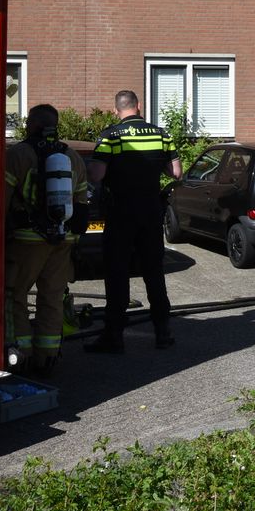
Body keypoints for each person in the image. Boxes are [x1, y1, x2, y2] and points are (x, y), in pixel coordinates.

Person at [85, 90, 182, 354]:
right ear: (139, 107)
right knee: (153, 270)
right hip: (151, 211)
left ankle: (114, 336)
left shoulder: (111, 136)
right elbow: (175, 172)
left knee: (117, 272)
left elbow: (96, 174)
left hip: (121, 211)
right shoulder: (161, 135)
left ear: (116, 109)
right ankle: (163, 332)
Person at [2, 104, 89, 376]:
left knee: (13, 296)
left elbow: (0, 202)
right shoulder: (72, 156)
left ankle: (21, 355)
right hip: (63, 241)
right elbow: (82, 204)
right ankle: (47, 357)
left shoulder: (17, 155)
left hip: (27, 241)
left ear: (30, 125)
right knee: (51, 297)